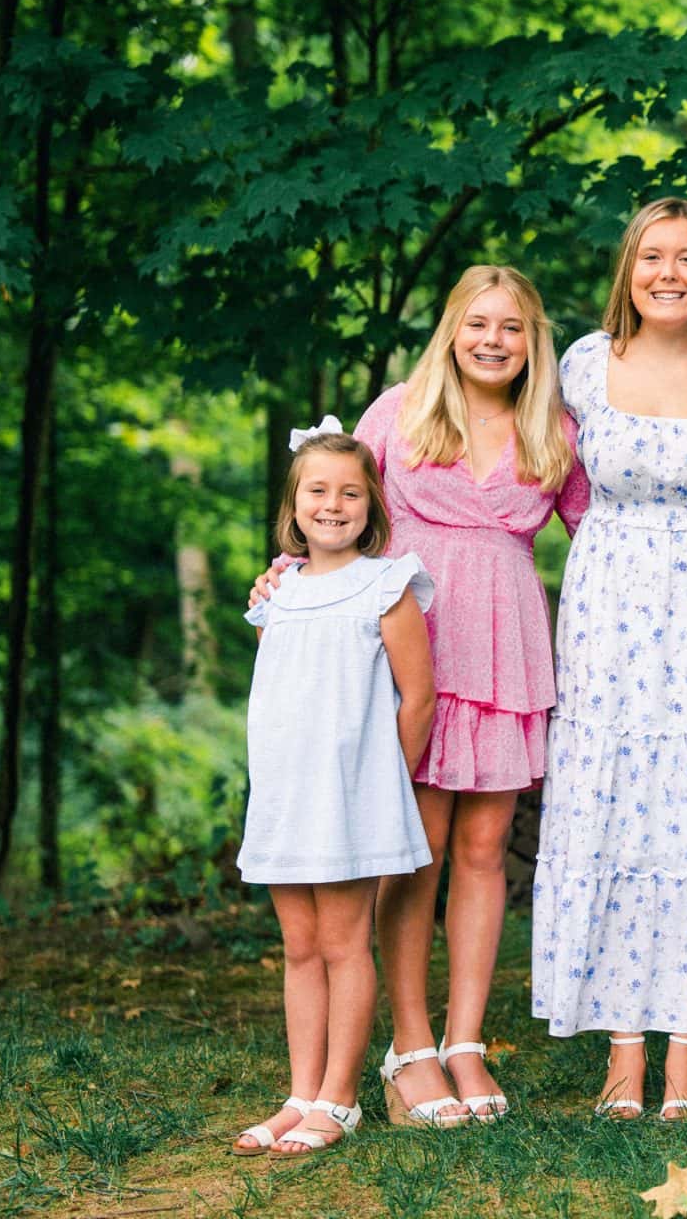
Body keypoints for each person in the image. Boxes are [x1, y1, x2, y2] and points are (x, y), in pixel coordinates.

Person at [253, 266, 588, 1129]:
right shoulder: (398, 412)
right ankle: (408, 1049)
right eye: (477, 323)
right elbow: (341, 513)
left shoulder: (553, 426)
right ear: (450, 329)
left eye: (511, 327)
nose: (492, 340)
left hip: (508, 643)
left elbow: (603, 529)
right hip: (416, 654)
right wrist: (291, 572)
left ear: (532, 340)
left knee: (484, 848)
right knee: (418, 850)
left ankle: (463, 1039)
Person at [530, 197, 687, 1123]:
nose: (668, 274)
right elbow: (510, 455)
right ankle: (620, 1053)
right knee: (616, 804)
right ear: (627, 272)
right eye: (651, 259)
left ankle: (686, 1051)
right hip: (609, 600)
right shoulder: (585, 365)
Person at [231, 424, 436, 1159]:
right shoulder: (277, 590)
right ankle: (300, 1093)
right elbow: (281, 690)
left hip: (351, 800)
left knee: (347, 943)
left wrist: (380, 785)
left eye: (350, 492)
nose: (333, 504)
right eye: (317, 490)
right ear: (293, 504)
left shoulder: (387, 585)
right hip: (288, 797)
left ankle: (340, 1099)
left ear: (371, 505)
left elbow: (417, 699)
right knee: (299, 945)